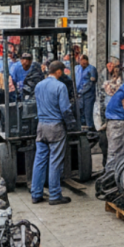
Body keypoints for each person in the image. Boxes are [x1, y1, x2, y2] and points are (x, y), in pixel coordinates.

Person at [31, 61, 77, 206]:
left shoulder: (39, 85)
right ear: (58, 72)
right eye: (62, 71)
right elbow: (65, 109)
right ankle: (55, 195)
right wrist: (72, 125)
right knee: (55, 161)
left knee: (39, 160)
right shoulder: (60, 86)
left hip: (41, 126)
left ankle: (36, 194)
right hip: (55, 127)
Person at [75, 55, 98, 131]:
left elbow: (91, 82)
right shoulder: (77, 68)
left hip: (88, 95)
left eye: (84, 60)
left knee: (88, 113)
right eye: (81, 60)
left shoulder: (91, 69)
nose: (82, 62)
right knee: (80, 113)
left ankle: (90, 130)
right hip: (78, 95)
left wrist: (82, 91)